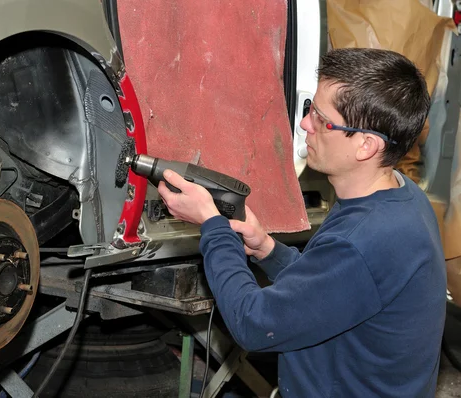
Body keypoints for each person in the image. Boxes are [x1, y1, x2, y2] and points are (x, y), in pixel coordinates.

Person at [157, 48, 446, 397]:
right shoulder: (403, 197)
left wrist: (212, 226)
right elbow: (333, 288)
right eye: (310, 107)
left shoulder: (364, 241)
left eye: (323, 120)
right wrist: (268, 250)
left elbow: (254, 324)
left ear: (366, 146)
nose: (305, 123)